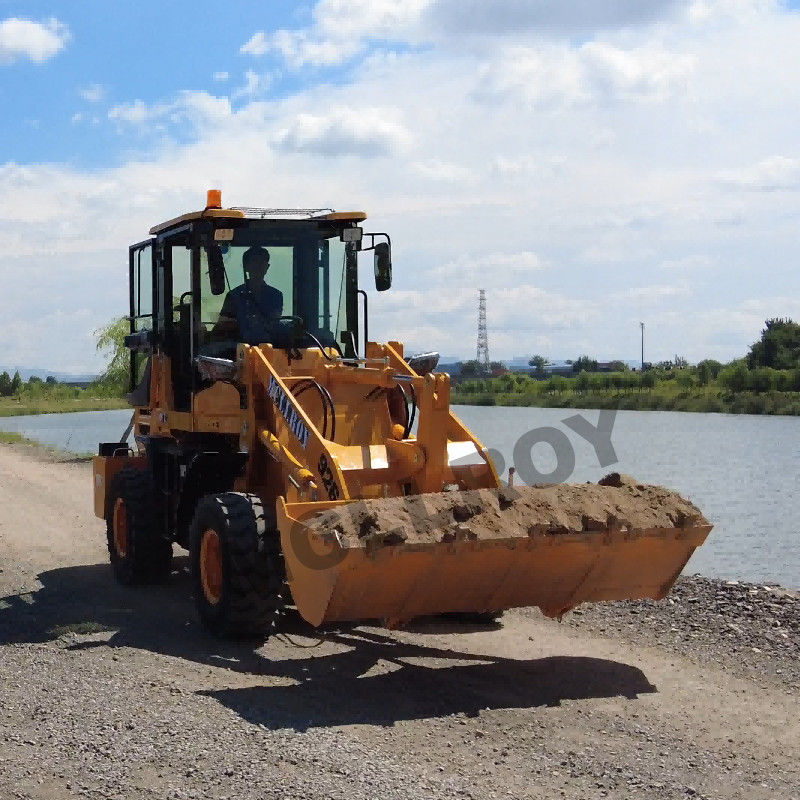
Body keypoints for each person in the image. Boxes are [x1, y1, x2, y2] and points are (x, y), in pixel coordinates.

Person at [213, 246, 283, 343]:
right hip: (236, 348)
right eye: (254, 262)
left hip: (269, 349)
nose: (258, 266)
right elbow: (223, 326)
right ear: (246, 266)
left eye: (261, 262)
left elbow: (274, 324)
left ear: (267, 267)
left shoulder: (275, 296)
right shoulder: (234, 296)